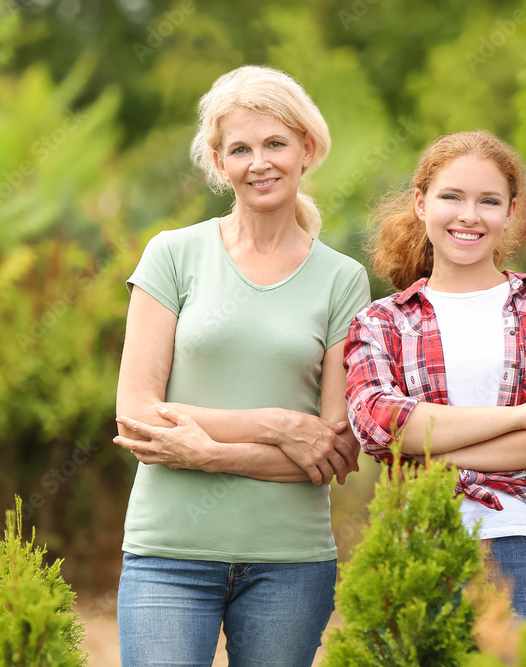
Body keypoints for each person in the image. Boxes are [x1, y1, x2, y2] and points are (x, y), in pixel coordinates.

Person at [112, 65, 371, 667]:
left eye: (276, 143)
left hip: (290, 563)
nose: (261, 162)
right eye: (241, 148)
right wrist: (280, 425)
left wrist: (208, 453)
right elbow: (138, 415)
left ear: (307, 148)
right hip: (167, 555)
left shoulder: (342, 280)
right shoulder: (172, 256)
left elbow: (333, 451)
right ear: (218, 161)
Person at [343, 130, 526, 648]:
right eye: (451, 197)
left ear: (510, 213)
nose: (469, 215)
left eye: (488, 201)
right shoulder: (383, 322)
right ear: (421, 204)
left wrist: (437, 456)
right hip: (422, 550)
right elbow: (382, 427)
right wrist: (524, 414)